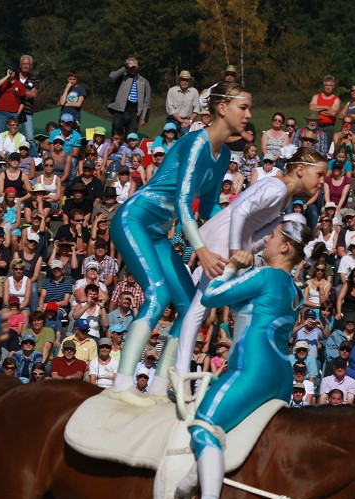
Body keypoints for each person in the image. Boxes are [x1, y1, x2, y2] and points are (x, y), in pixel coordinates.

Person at [105, 81, 249, 398]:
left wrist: (236, 238)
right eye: (243, 107)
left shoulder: (224, 155)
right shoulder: (196, 144)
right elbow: (184, 203)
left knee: (188, 306)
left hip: (157, 231)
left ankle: (158, 385)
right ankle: (122, 382)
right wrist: (202, 250)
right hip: (134, 219)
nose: (248, 114)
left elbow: (209, 207)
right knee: (157, 294)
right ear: (222, 109)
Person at [186, 219, 312, 499]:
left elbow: (211, 296)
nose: (265, 241)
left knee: (202, 428)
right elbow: (247, 309)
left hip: (252, 367)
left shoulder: (265, 275)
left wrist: (231, 267)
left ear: (285, 247)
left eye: (271, 237)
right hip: (282, 376)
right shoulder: (295, 291)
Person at [174, 147, 328, 377]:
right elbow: (239, 212)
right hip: (225, 239)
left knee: (223, 306)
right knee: (200, 307)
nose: (321, 182)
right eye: (319, 175)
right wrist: (236, 250)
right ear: (299, 170)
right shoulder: (275, 188)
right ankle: (180, 368)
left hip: (241, 242)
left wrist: (249, 250)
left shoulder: (284, 197)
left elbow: (260, 230)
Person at [108, 58, 151, 135]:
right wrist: (125, 67)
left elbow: (146, 102)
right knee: (116, 134)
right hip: (119, 111)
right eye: (130, 66)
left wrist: (144, 117)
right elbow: (112, 76)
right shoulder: (121, 77)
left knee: (131, 137)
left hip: (134, 113)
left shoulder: (144, 81)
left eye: (134, 66)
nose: (132, 69)